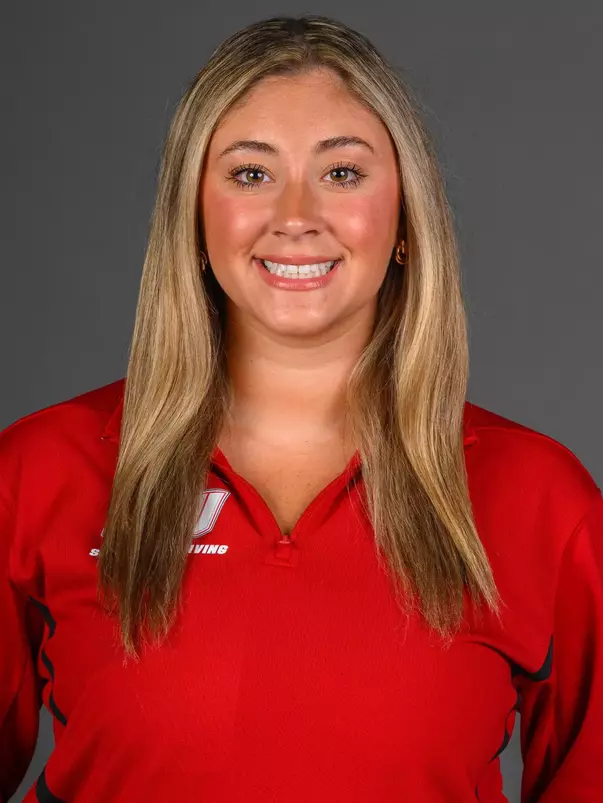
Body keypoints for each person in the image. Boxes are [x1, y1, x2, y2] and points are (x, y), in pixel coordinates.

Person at [1, 13, 601, 803]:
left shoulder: (539, 496)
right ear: (192, 214)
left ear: (404, 223)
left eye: (342, 173)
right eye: (250, 173)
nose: (294, 213)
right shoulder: (40, 469)